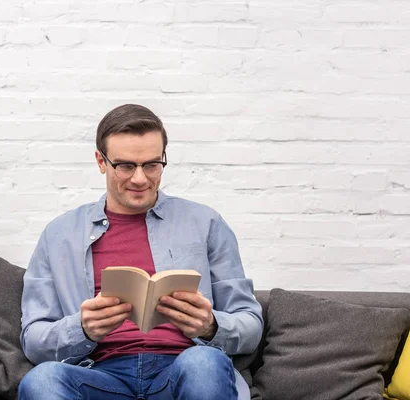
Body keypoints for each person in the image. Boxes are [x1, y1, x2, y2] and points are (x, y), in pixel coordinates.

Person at [19, 104, 263, 400]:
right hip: (99, 375)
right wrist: (81, 329)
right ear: (100, 161)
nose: (140, 179)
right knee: (42, 380)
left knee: (203, 362)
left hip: (184, 369)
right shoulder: (59, 235)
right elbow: (33, 339)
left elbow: (250, 325)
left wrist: (211, 326)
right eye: (125, 166)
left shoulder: (205, 223)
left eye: (151, 165)